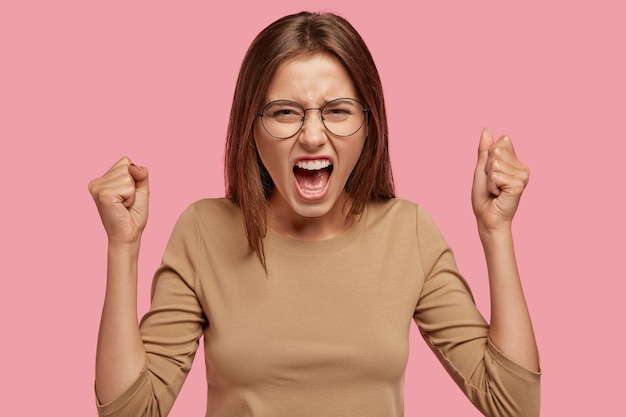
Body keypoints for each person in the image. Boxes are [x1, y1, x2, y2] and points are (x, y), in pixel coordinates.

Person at [88, 11, 540, 417]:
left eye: (337, 112)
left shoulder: (409, 232)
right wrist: (123, 246)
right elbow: (131, 413)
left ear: (369, 126)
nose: (312, 136)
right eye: (285, 112)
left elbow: (514, 405)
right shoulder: (204, 230)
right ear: (252, 127)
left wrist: (496, 231)